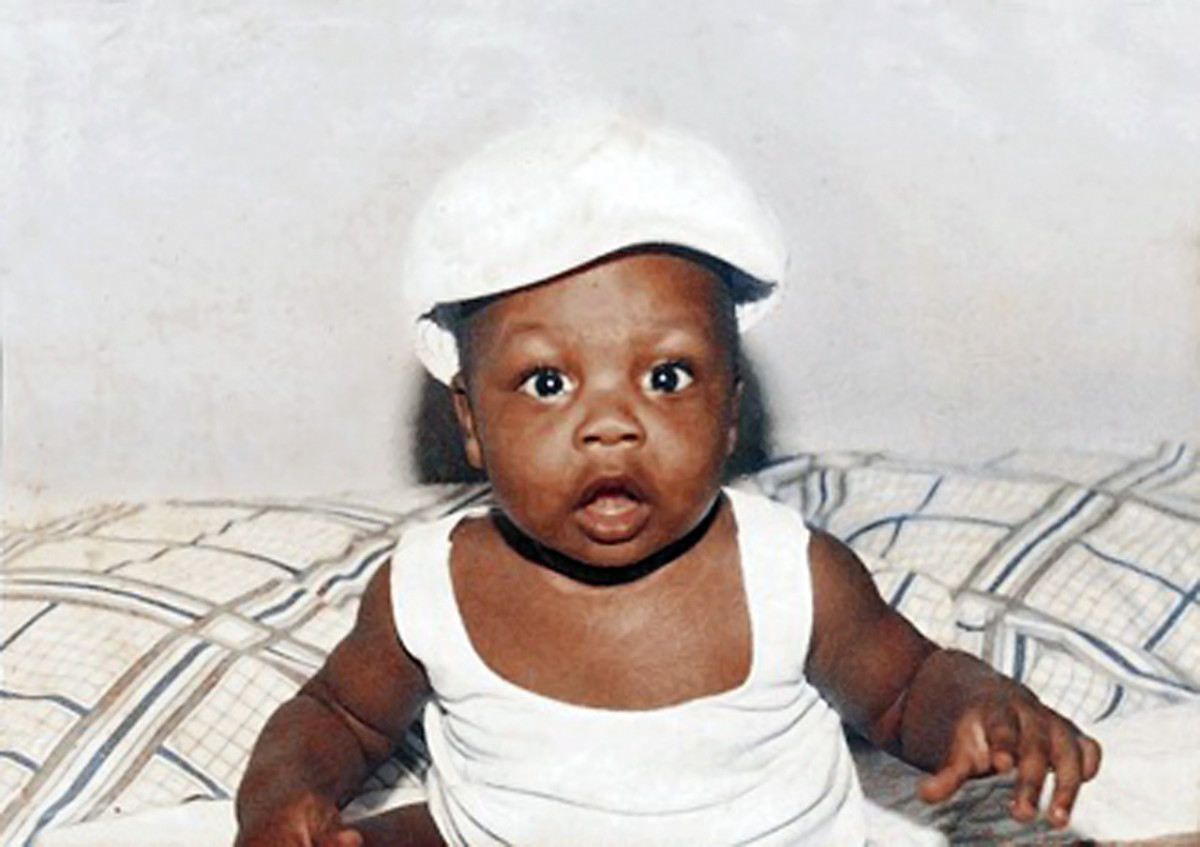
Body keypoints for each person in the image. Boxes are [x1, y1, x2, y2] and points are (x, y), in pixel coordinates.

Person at [235, 113, 1101, 846]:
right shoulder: (428, 590)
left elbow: (907, 689)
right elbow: (337, 717)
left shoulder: (789, 576)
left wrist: (981, 707)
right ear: (469, 420)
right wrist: (281, 796)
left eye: (667, 376)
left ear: (730, 410)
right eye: (548, 382)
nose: (612, 423)